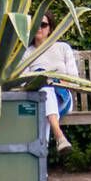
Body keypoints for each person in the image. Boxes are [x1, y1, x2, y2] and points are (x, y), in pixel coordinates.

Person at [29, 10, 77, 154]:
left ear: (50, 28)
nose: (39, 28)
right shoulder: (26, 53)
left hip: (62, 98)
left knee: (46, 90)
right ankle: (60, 138)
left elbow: (74, 79)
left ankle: (39, 168)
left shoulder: (63, 48)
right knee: (44, 93)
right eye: (35, 24)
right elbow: (22, 83)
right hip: (37, 100)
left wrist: (53, 80)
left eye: (43, 25)